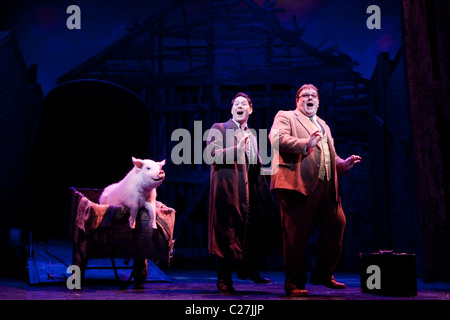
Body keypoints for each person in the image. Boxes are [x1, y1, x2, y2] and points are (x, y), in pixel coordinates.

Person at [269, 84, 361, 297]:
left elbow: (330, 155)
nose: (309, 98)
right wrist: (304, 143)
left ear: (318, 102)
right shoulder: (286, 116)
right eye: (305, 96)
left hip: (326, 186)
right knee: (295, 236)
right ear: (297, 101)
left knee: (337, 224)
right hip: (296, 184)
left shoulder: (324, 125)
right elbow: (276, 139)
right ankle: (294, 283)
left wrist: (343, 164)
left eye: (313, 96)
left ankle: (322, 274)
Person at [206, 92, 278, 293]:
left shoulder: (252, 135)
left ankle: (250, 270)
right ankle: (223, 280)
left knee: (255, 230)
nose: (240, 106)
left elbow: (254, 163)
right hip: (228, 190)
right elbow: (212, 156)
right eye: (236, 103)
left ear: (250, 110)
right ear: (231, 109)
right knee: (227, 232)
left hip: (251, 190)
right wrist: (238, 148)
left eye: (244, 104)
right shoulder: (219, 128)